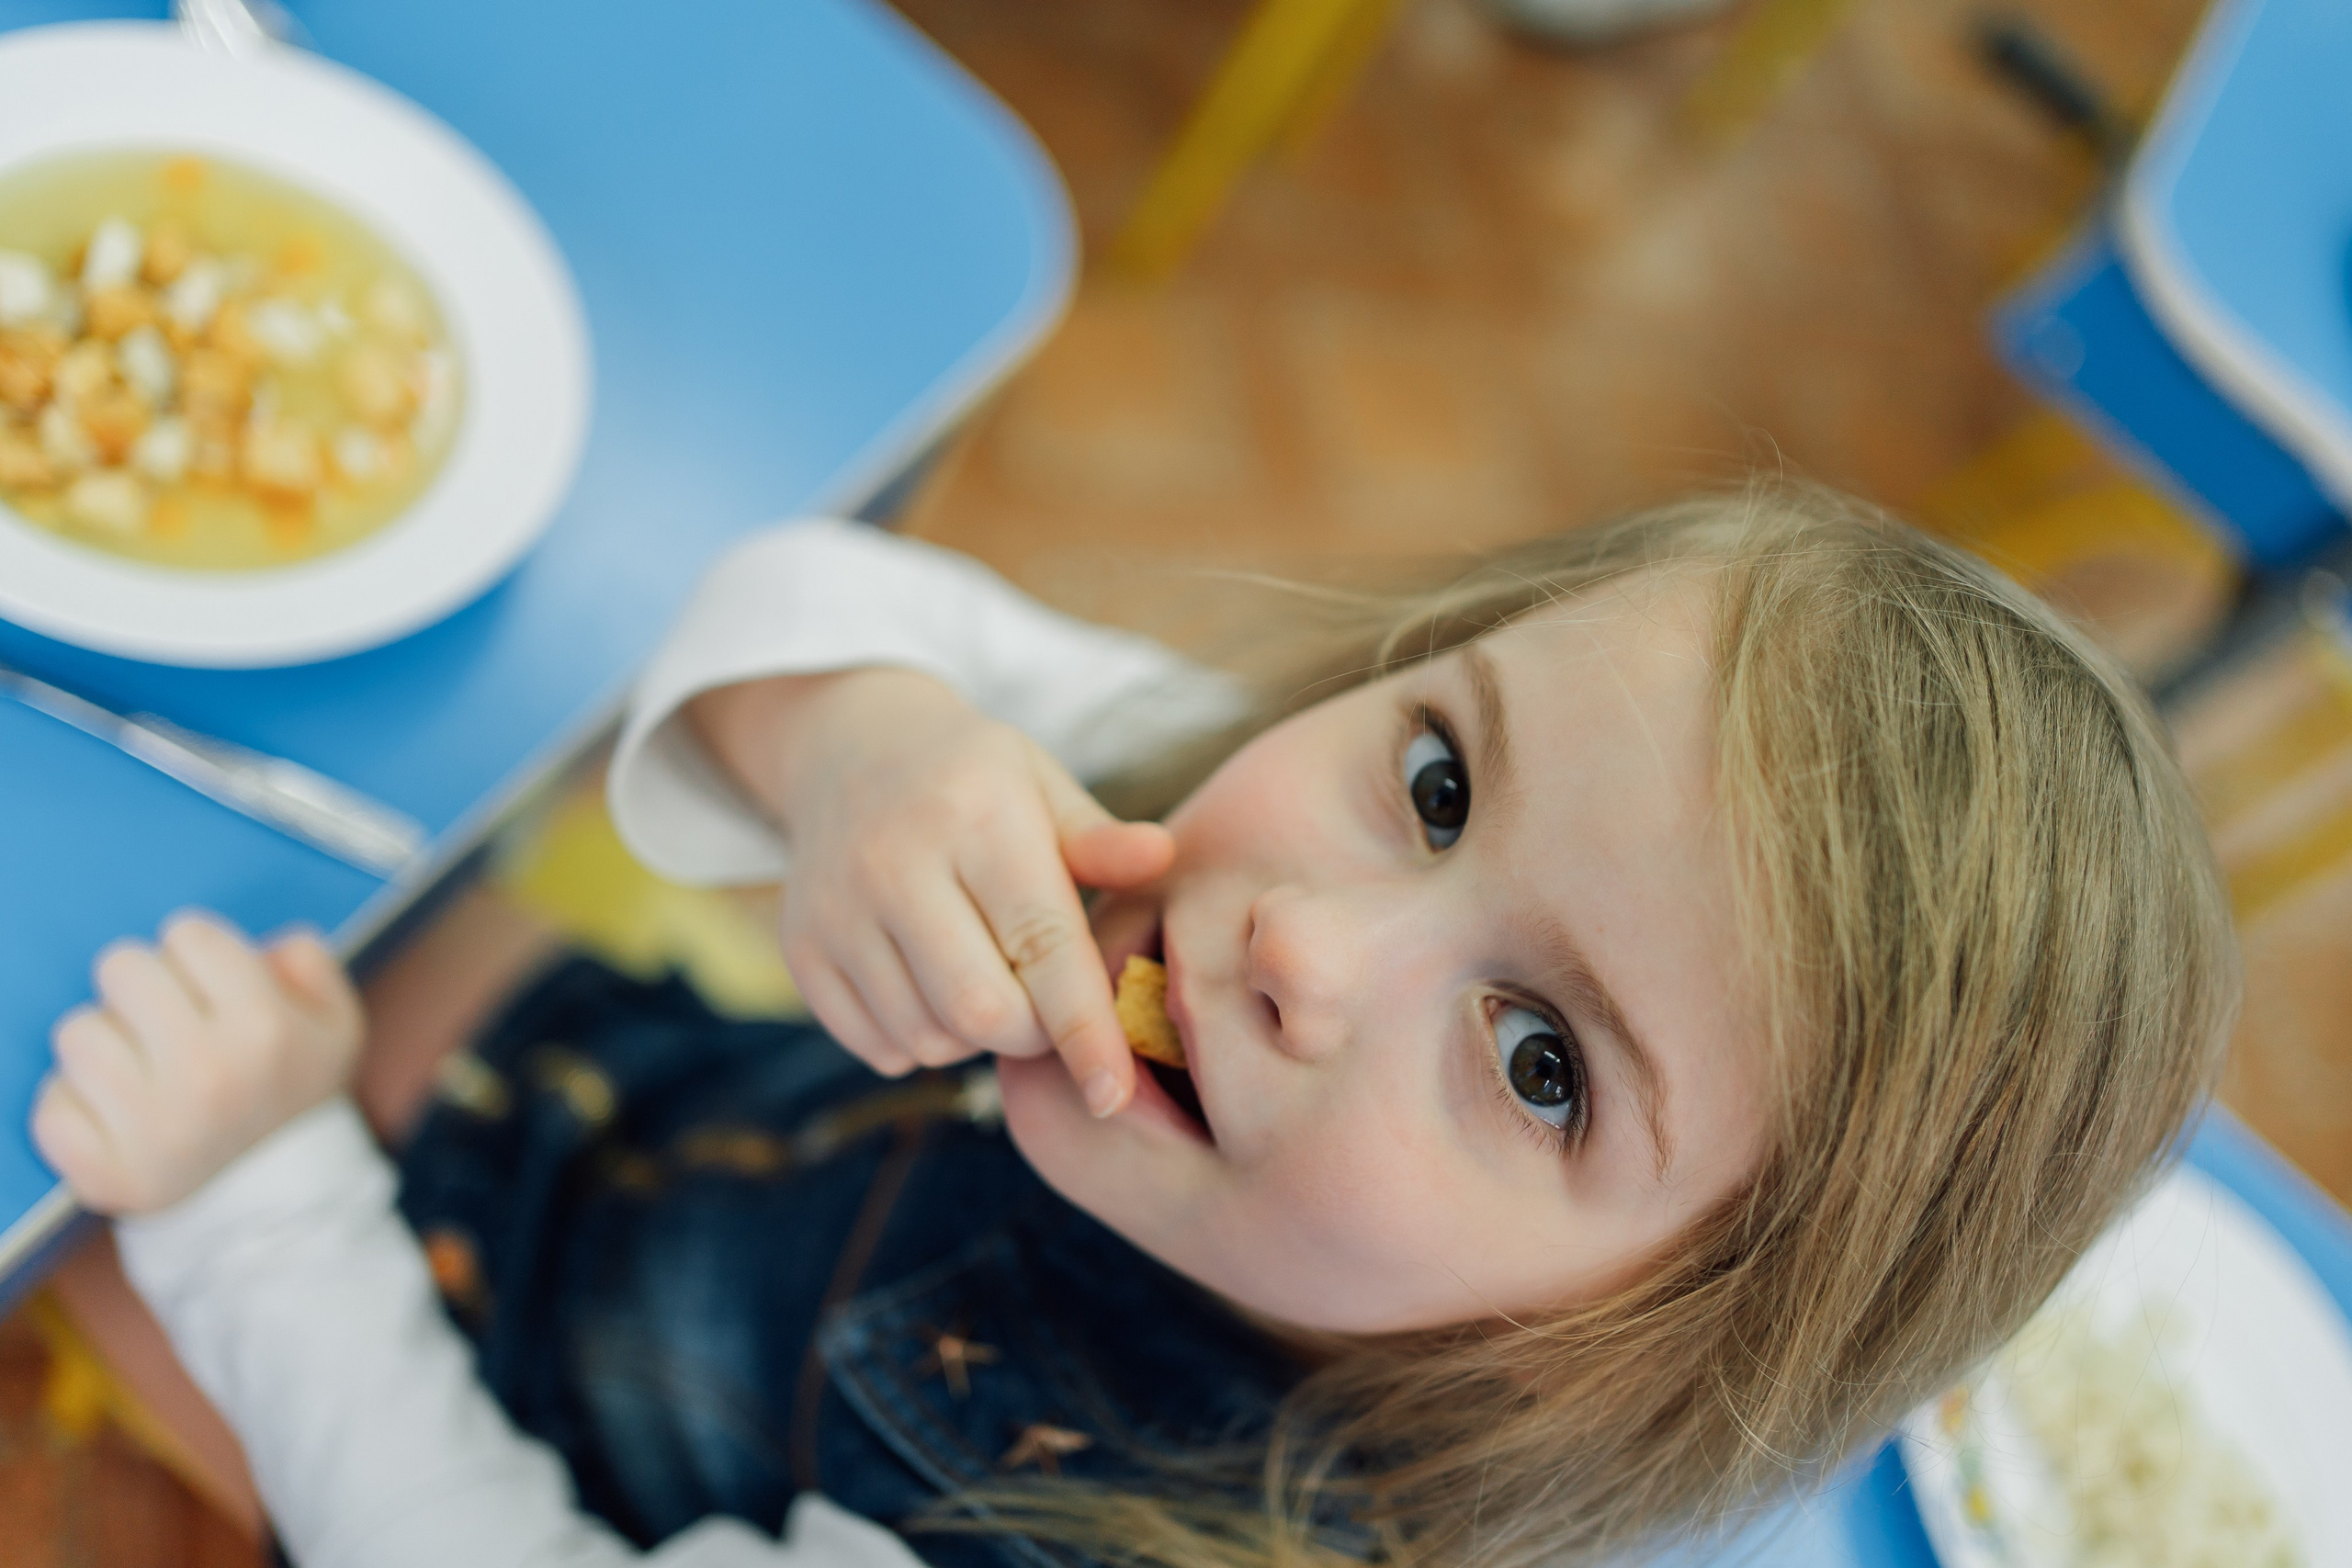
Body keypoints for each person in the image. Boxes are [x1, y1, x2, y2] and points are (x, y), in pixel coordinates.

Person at [31, 486, 2239, 1568]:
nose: (1309, 942)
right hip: (630, 1131)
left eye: (1541, 1060)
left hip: (501, 1450)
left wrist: (260, 1200)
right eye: (1444, 775)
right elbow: (807, 595)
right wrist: (864, 747)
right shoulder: (1275, 802)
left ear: (1645, 1342)